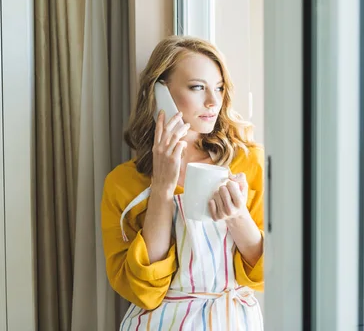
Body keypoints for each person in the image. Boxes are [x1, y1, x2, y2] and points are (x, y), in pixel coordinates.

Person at [101, 36, 264, 330]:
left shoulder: (248, 162)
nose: (213, 102)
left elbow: (268, 272)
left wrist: (237, 215)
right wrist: (162, 188)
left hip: (232, 320)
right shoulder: (122, 183)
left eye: (219, 88)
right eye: (198, 87)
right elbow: (144, 292)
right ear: (160, 92)